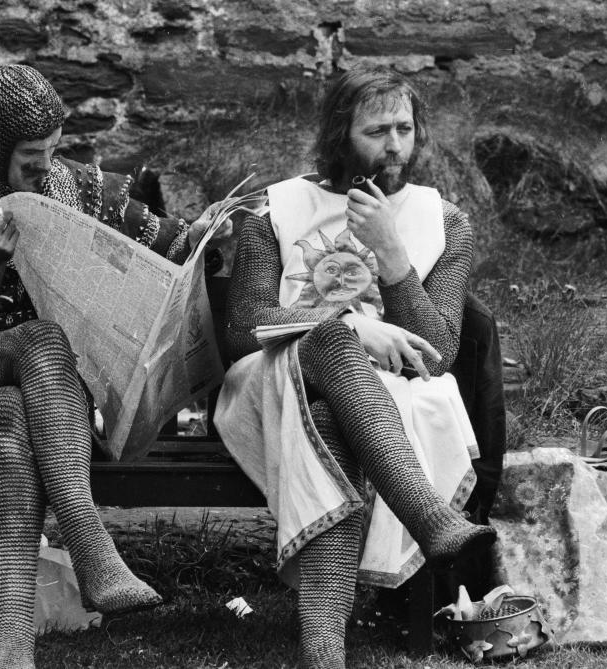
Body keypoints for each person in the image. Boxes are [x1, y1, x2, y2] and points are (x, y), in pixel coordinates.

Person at [0, 64, 214, 669]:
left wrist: (207, 234)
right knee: (40, 340)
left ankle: (10, 650)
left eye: (52, 151)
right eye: (31, 157)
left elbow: (173, 240)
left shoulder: (78, 189)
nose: (44, 168)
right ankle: (89, 543)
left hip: (40, 409)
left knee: (11, 425)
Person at [213, 66, 497, 669]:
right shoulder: (278, 209)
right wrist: (352, 326)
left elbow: (438, 351)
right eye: (376, 131)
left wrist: (394, 257)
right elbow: (243, 328)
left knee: (330, 417)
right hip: (269, 380)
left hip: (378, 400)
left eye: (405, 128)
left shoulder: (444, 221)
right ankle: (428, 514)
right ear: (341, 134)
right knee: (335, 341)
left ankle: (324, 651)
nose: (394, 146)